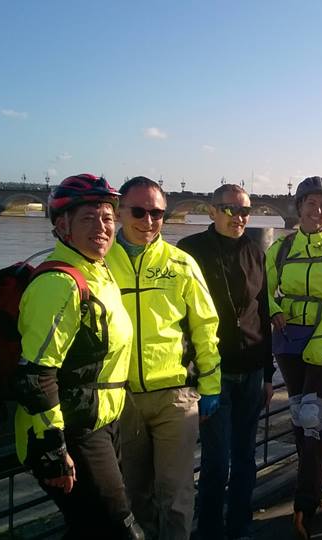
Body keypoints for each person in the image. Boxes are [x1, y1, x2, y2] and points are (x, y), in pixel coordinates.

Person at [15, 174, 143, 539]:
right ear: (62, 226)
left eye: (107, 217)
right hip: (71, 431)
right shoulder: (60, 283)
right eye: (88, 218)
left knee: (88, 528)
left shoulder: (99, 274)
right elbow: (36, 373)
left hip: (101, 421)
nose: (101, 227)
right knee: (120, 529)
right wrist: (53, 448)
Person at [105, 176, 222, 540]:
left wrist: (211, 385)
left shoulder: (181, 264)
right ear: (119, 212)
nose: (149, 220)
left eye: (157, 212)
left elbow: (206, 326)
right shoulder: (99, 263)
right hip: (120, 397)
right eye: (139, 211)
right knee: (134, 494)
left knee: (176, 494)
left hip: (175, 396)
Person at [178, 184, 275, 540]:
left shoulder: (255, 250)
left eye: (245, 211)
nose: (240, 217)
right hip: (211, 373)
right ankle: (209, 530)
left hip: (251, 369)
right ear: (212, 211)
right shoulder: (189, 252)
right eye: (231, 209)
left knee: (245, 457)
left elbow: (262, 311)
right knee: (217, 461)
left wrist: (268, 373)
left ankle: (239, 525)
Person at [265, 176, 322, 538]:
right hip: (289, 342)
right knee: (301, 417)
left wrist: (319, 346)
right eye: (311, 204)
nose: (318, 210)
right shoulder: (282, 247)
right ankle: (318, 479)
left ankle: (305, 501)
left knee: (310, 415)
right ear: (299, 207)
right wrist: (273, 309)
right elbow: (264, 286)